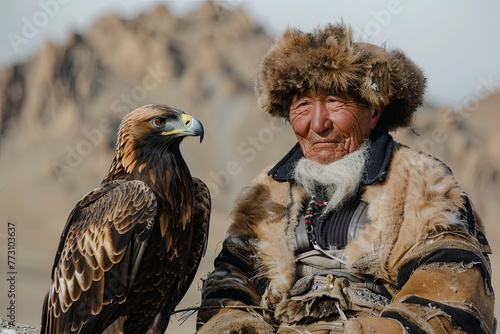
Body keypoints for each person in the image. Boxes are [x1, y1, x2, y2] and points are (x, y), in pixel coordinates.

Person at [196, 23, 496, 334]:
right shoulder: (265, 196)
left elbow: (451, 298)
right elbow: (226, 296)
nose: (317, 124)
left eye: (334, 102)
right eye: (301, 106)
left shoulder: (423, 187)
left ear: (375, 110)